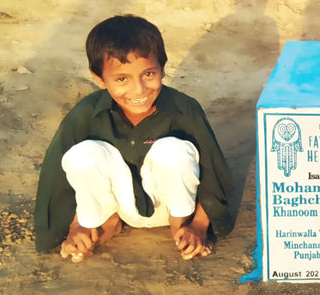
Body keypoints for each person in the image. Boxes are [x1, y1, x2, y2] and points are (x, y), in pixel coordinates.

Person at [35, 15, 234, 261]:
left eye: (149, 74)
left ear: (162, 68)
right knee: (82, 155)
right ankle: (105, 224)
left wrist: (200, 226)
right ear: (98, 78)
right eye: (121, 79)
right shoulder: (86, 113)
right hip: (119, 206)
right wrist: (77, 226)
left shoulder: (184, 108)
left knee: (173, 151)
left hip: (173, 206)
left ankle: (181, 229)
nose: (139, 90)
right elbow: (59, 178)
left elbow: (214, 173)